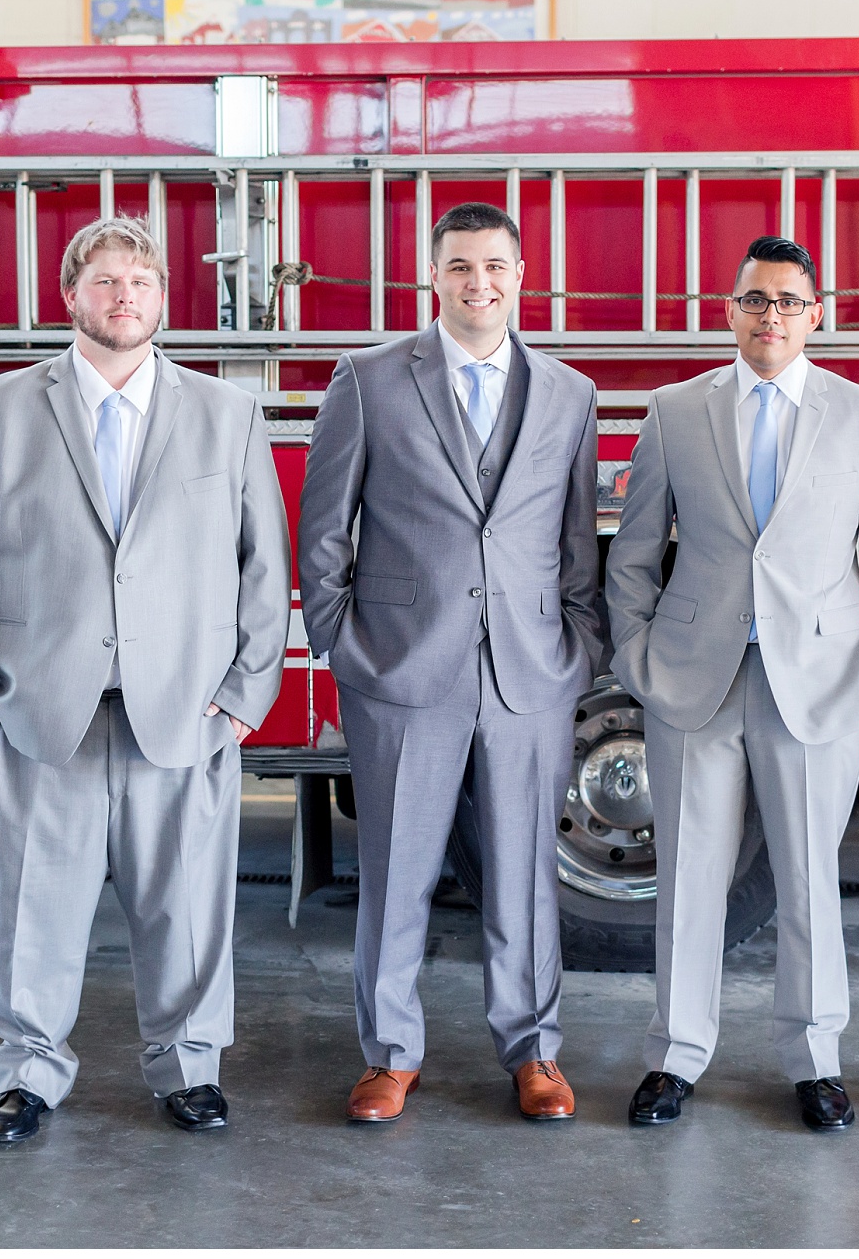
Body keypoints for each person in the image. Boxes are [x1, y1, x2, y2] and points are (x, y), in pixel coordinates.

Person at [0, 217, 291, 1144]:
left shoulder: (226, 413)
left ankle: (189, 1070)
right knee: (30, 905)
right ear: (70, 297)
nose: (124, 296)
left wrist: (246, 692)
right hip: (43, 709)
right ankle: (27, 1076)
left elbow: (263, 566)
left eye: (140, 281)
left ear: (163, 299)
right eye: (104, 282)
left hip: (183, 709)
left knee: (189, 907)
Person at [604, 235, 859, 1132]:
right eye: (755, 300)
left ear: (817, 314)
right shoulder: (675, 411)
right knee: (689, 879)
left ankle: (815, 1060)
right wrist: (639, 661)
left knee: (808, 882)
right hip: (693, 682)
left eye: (789, 300)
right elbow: (631, 558)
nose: (771, 315)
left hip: (819, 686)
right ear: (730, 310)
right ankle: (675, 1057)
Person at [298, 201, 607, 1124]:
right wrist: (341, 643)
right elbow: (323, 532)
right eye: (461, 266)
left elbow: (575, 540)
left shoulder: (568, 394)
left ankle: (534, 1052)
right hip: (399, 668)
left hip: (529, 673)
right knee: (397, 870)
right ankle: (392, 1054)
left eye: (496, 266)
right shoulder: (369, 381)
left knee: (524, 871)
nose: (480, 283)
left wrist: (579, 647)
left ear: (522, 275)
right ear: (432, 277)